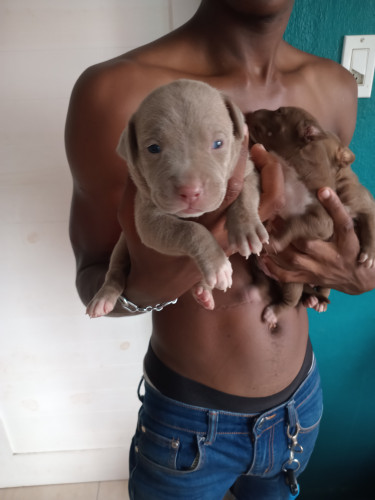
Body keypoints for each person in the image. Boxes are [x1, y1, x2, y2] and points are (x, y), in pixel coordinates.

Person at [65, 1, 375, 498]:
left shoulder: (335, 85)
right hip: (189, 427)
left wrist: (359, 274)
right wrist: (205, 249)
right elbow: (95, 278)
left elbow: (339, 216)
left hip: (301, 405)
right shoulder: (116, 92)